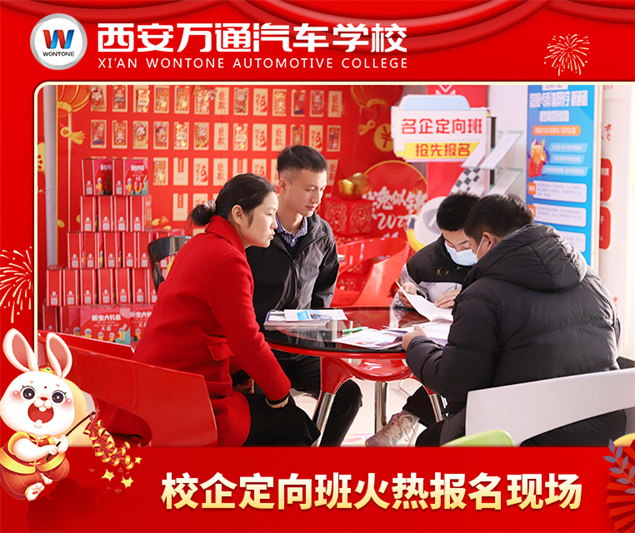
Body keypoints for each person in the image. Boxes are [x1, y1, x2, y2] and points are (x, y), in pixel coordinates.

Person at [102, 174, 319, 446]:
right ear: (238, 214)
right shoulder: (228, 260)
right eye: (269, 214)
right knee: (296, 425)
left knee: (276, 412)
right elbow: (247, 341)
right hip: (184, 400)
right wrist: (281, 394)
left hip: (156, 386)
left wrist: (246, 376)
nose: (275, 224)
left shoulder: (199, 243)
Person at [402, 194, 626, 446]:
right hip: (602, 432)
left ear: (487, 241)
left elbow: (453, 382)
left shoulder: (482, 295)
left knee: (428, 442)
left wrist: (417, 344)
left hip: (525, 435)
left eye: (471, 249)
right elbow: (612, 344)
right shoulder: (592, 280)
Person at [245, 145, 362, 446]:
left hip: (303, 350)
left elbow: (324, 290)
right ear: (282, 185)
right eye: (309, 189)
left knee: (349, 395)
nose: (317, 198)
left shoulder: (322, 233)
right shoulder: (255, 233)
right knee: (278, 417)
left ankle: (321, 462)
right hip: (261, 351)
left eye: (321, 189)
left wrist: (318, 335)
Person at [366, 192, 480, 447]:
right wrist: (410, 298)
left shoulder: (495, 260)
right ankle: (411, 420)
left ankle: (407, 418)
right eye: (449, 244)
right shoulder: (422, 263)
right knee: (449, 365)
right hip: (435, 341)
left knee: (458, 368)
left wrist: (469, 298)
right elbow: (400, 315)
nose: (458, 251)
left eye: (464, 245)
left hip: (476, 345)